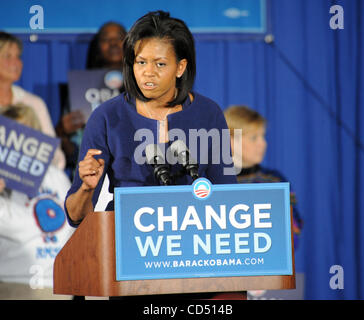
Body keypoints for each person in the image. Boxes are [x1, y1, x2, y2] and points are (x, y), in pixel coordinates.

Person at [64, 11, 237, 299]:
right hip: (133, 265)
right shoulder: (107, 116)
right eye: (140, 62)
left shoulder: (208, 113)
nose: (148, 72)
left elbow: (227, 196)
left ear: (181, 67)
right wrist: (85, 188)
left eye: (160, 64)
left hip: (198, 265)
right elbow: (75, 216)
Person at [0, 105, 75, 300]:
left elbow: (71, 225)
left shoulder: (57, 176)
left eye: (28, 130)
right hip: (16, 280)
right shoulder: (4, 178)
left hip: (53, 282)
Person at [224, 105, 303, 248]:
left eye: (263, 136)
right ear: (230, 140)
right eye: (254, 138)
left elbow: (294, 231)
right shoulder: (211, 182)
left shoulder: (275, 180)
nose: (263, 144)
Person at [57, 22, 127, 181]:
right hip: (91, 179)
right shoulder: (81, 90)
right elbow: (71, 153)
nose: (113, 43)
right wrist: (62, 131)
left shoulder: (145, 86)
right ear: (97, 49)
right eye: (106, 39)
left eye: (119, 38)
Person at [0, 31, 66, 170]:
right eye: (7, 56)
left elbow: (56, 156)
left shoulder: (33, 103)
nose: (16, 63)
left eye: (18, 56)